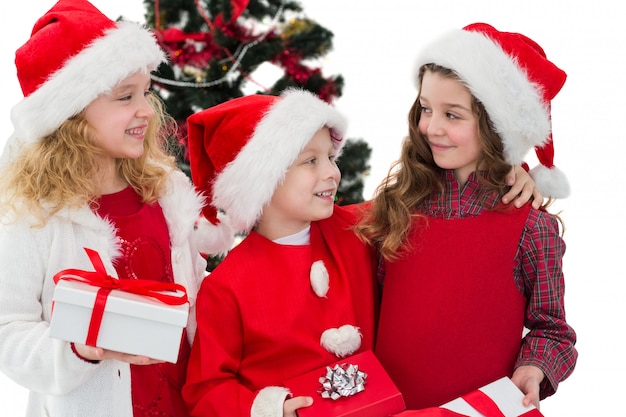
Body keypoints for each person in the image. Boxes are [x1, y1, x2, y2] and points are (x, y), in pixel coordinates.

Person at [0, 1, 230, 416]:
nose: (145, 109)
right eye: (125, 96)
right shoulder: (32, 216)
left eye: (145, 92)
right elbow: (9, 332)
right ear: (69, 116)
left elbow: (193, 294)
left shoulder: (167, 191)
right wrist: (80, 348)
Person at [356, 23, 577, 412]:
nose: (432, 128)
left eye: (452, 115)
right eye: (425, 109)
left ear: (496, 126)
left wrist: (534, 367)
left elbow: (553, 330)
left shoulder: (530, 226)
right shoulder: (398, 205)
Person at [181, 89, 379, 417]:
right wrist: (272, 409)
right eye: (310, 161)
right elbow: (206, 390)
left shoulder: (359, 230)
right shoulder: (227, 287)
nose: (332, 172)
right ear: (264, 181)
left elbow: (420, 200)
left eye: (331, 157)